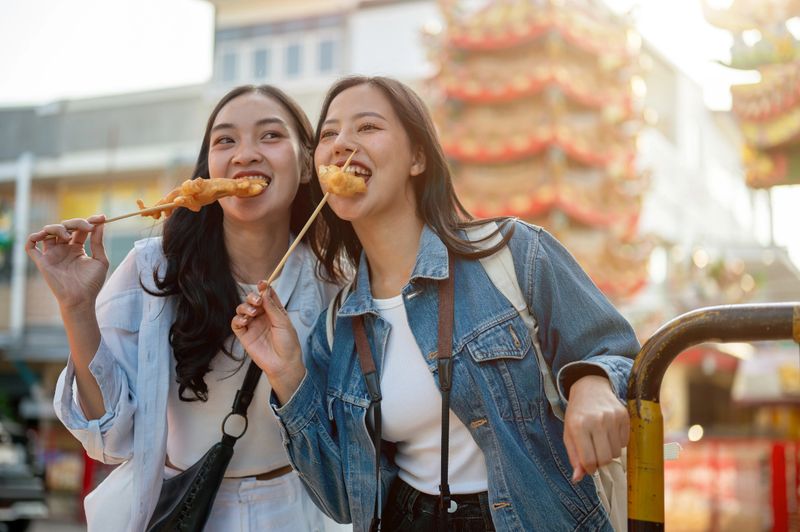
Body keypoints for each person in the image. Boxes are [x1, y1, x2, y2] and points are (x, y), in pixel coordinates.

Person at [232, 76, 639, 531]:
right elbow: (345, 502)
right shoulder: (338, 326)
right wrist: (287, 374)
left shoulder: (514, 253)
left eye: (367, 127)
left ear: (418, 157)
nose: (341, 144)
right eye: (328, 134)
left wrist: (591, 386)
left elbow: (615, 349)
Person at [26, 85, 346, 532]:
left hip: (301, 512)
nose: (244, 155)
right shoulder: (152, 268)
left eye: (270, 136)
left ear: (309, 164)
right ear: (207, 166)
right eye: (225, 140)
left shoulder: (337, 282)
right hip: (183, 508)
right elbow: (110, 439)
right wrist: (76, 306)